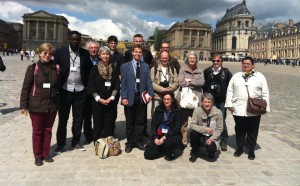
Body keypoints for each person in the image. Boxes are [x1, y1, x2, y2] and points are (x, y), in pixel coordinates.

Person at [20, 43, 60, 166]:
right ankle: (37, 156)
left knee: (48, 131)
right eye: (45, 53)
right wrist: (24, 105)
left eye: (50, 53)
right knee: (37, 131)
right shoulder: (33, 68)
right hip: (36, 104)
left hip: (51, 105)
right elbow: (26, 88)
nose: (47, 55)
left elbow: (58, 86)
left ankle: (45, 154)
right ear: (40, 53)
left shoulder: (56, 68)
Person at [54, 31, 92, 155]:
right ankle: (60, 144)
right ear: (69, 39)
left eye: (77, 40)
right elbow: (55, 69)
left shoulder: (85, 53)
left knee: (78, 118)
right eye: (73, 39)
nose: (75, 41)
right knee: (63, 119)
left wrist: (87, 87)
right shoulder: (60, 52)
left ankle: (75, 141)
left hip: (80, 90)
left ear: (80, 41)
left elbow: (90, 70)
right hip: (65, 90)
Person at [225, 56, 270, 160]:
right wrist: (229, 104)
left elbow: (265, 92)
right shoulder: (236, 76)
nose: (245, 65)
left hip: (255, 108)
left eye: (248, 64)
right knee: (240, 129)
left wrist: (265, 107)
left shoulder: (260, 76)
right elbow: (230, 90)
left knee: (252, 130)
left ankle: (251, 150)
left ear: (252, 65)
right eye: (244, 63)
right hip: (238, 107)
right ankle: (239, 148)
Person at [121, 44, 154, 153]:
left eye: (140, 52)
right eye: (136, 52)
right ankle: (130, 143)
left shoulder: (145, 66)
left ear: (142, 54)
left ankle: (139, 141)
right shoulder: (125, 66)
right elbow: (123, 83)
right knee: (130, 122)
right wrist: (124, 97)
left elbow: (148, 81)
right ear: (132, 53)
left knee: (140, 121)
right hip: (130, 97)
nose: (138, 54)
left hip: (142, 97)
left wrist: (151, 94)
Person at [88, 46, 120, 141]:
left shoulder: (114, 68)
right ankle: (97, 142)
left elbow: (116, 85)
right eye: (103, 54)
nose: (105, 56)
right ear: (99, 55)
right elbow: (91, 86)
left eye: (107, 54)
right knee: (98, 123)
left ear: (110, 55)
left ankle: (109, 142)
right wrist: (99, 99)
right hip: (98, 101)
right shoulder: (94, 69)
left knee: (109, 123)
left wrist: (111, 98)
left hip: (110, 101)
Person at [203, 54, 232, 151]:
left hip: (222, 101)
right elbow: (204, 85)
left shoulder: (226, 72)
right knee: (209, 120)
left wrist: (230, 102)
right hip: (210, 101)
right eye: (214, 61)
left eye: (218, 61)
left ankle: (224, 141)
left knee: (222, 121)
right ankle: (209, 138)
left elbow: (230, 87)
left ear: (221, 62)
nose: (215, 63)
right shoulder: (207, 71)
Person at [177, 51, 205, 146]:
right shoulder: (182, 69)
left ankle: (194, 141)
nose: (192, 59)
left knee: (196, 121)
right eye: (190, 58)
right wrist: (193, 82)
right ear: (187, 59)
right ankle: (183, 140)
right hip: (185, 99)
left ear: (196, 59)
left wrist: (189, 81)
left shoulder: (200, 70)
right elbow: (180, 82)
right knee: (184, 122)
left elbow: (202, 82)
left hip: (196, 99)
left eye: (194, 58)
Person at [144, 92, 182, 161]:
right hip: (159, 134)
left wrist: (164, 138)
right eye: (164, 99)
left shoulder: (177, 111)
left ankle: (170, 150)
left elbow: (177, 128)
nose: (166, 101)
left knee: (168, 156)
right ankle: (162, 149)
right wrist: (155, 137)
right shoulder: (158, 109)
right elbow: (153, 125)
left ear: (172, 99)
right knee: (148, 154)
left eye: (168, 99)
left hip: (171, 135)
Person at [188, 93, 223, 162]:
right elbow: (192, 125)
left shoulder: (218, 113)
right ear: (201, 102)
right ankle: (195, 152)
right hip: (200, 134)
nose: (207, 104)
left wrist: (211, 139)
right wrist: (205, 129)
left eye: (209, 102)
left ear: (212, 103)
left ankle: (211, 152)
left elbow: (219, 129)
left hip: (212, 135)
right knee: (193, 133)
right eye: (205, 102)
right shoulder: (197, 111)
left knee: (211, 149)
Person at [150, 51, 178, 115]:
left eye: (166, 58)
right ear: (160, 58)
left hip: (169, 95)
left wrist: (170, 88)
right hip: (157, 95)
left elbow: (177, 82)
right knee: (156, 113)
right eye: (163, 58)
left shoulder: (173, 69)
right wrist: (162, 89)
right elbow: (151, 82)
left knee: (168, 113)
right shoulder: (154, 69)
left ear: (168, 59)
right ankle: (155, 125)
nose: (164, 60)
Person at [83, 40, 100, 144]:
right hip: (86, 92)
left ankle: (97, 133)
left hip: (99, 92)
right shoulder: (83, 60)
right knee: (87, 115)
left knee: (98, 114)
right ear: (88, 49)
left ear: (98, 49)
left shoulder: (101, 60)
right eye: (91, 48)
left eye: (95, 48)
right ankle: (88, 135)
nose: (93, 50)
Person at [107, 35, 124, 135]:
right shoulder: (104, 53)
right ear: (108, 44)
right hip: (104, 84)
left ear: (116, 44)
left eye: (114, 43)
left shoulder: (120, 56)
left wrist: (120, 77)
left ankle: (112, 125)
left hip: (115, 85)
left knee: (113, 107)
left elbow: (121, 70)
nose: (113, 45)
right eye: (111, 43)